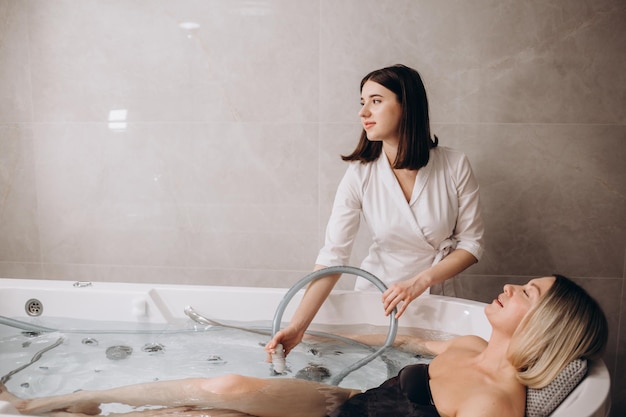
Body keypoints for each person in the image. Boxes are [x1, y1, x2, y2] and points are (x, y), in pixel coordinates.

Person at [1, 274, 608, 417]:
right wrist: (311, 330)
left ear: (545, 325)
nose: (509, 286)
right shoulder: (468, 342)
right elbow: (419, 337)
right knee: (225, 386)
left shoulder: (492, 403)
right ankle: (64, 404)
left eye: (526, 291)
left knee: (211, 405)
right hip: (344, 398)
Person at [267, 64, 485, 357]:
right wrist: (298, 326)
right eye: (362, 102)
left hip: (434, 300)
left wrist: (420, 282)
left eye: (376, 101)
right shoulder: (360, 174)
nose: (363, 112)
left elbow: (472, 244)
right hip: (377, 301)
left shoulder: (454, 165)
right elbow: (333, 255)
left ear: (407, 105)